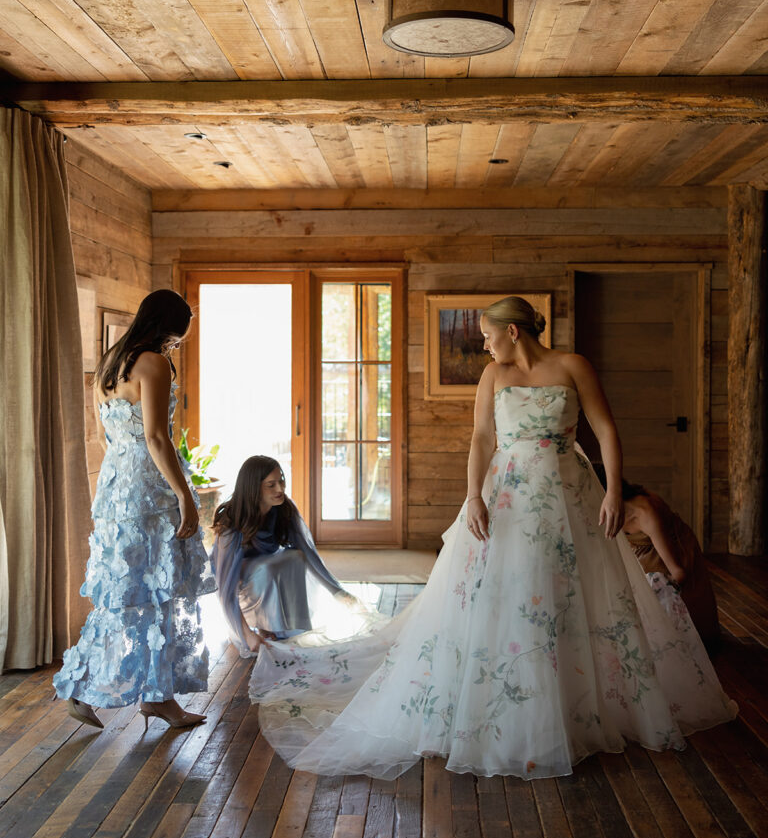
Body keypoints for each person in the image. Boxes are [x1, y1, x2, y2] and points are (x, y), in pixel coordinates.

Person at [248, 296, 736, 780]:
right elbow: (482, 438)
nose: (485, 345)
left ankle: (577, 707)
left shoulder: (573, 366)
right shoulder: (492, 376)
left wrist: (611, 492)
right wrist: (473, 497)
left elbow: (605, 429)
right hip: (508, 497)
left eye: (487, 335)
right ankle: (508, 706)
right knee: (510, 593)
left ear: (513, 332)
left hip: (569, 496)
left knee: (569, 593)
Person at [53, 290, 215, 731]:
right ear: (169, 327)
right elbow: (157, 438)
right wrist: (184, 496)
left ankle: (148, 696)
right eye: (177, 337)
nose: (176, 345)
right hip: (150, 490)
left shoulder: (109, 364)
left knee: (124, 592)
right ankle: (141, 696)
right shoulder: (153, 363)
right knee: (160, 591)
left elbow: (104, 437)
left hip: (115, 489)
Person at [211, 456, 379, 654]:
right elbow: (225, 589)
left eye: (281, 481)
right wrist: (247, 634)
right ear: (253, 488)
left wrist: (338, 592)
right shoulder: (232, 521)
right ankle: (262, 624)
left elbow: (309, 553)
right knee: (267, 569)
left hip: (263, 578)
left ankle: (290, 626)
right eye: (271, 485)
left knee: (296, 557)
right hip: (239, 588)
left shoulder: (284, 509)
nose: (280, 489)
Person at [594, 467, 720, 653]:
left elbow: (678, 572)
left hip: (671, 553)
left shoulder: (643, 512)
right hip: (644, 554)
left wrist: (649, 595)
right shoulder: (606, 513)